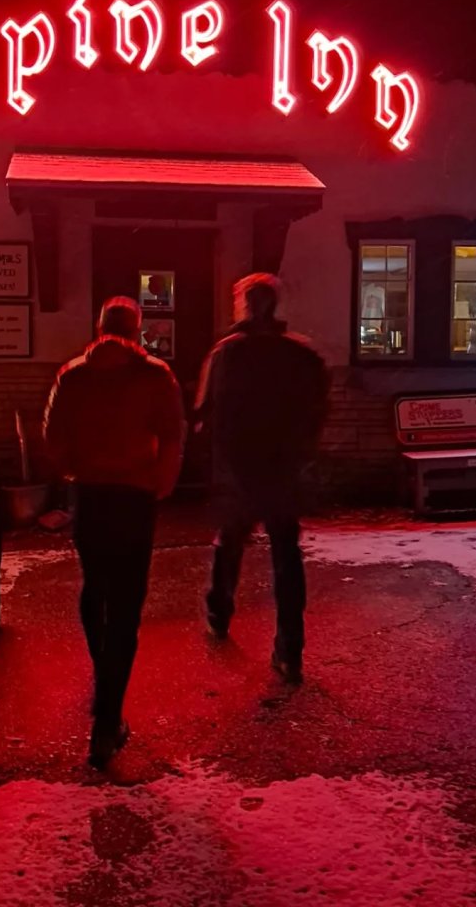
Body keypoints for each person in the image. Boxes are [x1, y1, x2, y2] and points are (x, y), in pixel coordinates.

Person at [43, 296, 185, 767]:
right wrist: (159, 482)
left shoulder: (74, 375)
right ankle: (108, 721)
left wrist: (72, 471)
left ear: (100, 327)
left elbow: (54, 434)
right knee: (126, 607)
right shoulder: (155, 376)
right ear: (137, 330)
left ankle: (104, 682)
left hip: (91, 495)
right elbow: (173, 433)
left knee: (95, 587)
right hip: (135, 498)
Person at [195, 273, 329, 685]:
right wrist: (301, 454)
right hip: (283, 467)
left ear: (243, 305)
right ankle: (290, 650)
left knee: (230, 541)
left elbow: (204, 411)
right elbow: (316, 411)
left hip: (239, 466)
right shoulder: (302, 355)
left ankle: (219, 611)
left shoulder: (227, 354)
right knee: (286, 555)